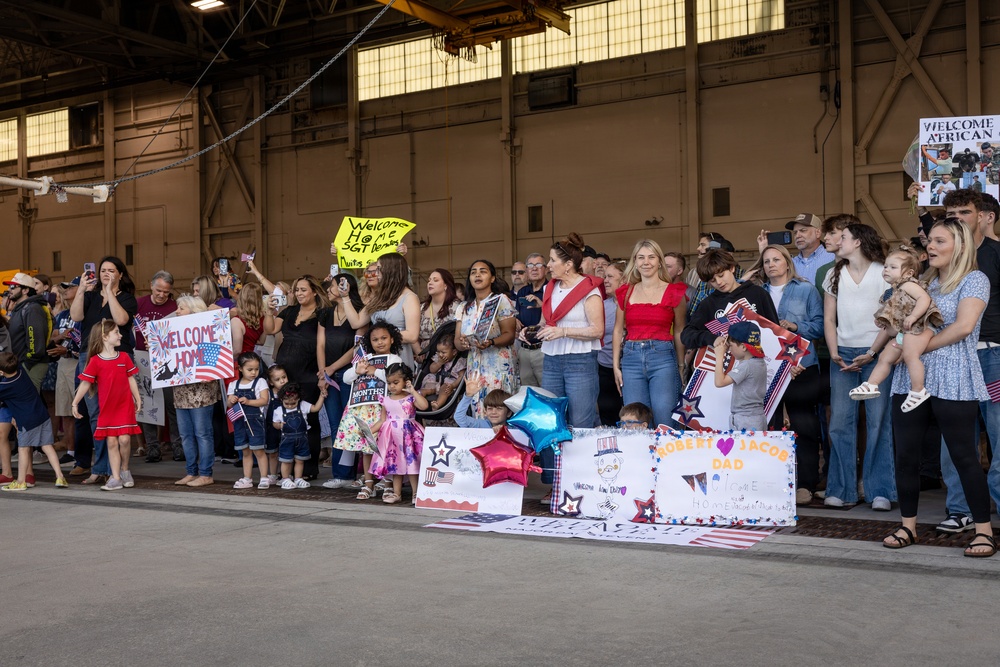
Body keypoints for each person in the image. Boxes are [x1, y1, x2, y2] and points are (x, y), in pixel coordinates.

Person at [883, 218, 996, 557]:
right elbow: (896, 327)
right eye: (929, 240)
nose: (930, 246)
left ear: (959, 246)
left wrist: (916, 348)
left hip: (954, 376)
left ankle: (984, 531)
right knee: (905, 456)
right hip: (909, 379)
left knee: (964, 457)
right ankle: (908, 525)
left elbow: (963, 327)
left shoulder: (975, 280)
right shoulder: (922, 283)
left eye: (939, 241)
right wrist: (892, 341)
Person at [823, 223, 896, 510]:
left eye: (843, 237)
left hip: (876, 354)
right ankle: (841, 490)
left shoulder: (883, 272)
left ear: (858, 242)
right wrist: (834, 352)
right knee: (840, 423)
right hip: (842, 354)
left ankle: (881, 490)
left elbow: (891, 319)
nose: (837, 241)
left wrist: (871, 351)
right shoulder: (834, 274)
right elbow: (830, 319)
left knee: (879, 421)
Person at [750, 244, 825, 504]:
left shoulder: (806, 290)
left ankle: (805, 483)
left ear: (787, 262)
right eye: (766, 261)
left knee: (804, 425)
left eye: (776, 259)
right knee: (769, 426)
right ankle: (774, 481)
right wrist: (748, 277)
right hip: (767, 367)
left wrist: (795, 326)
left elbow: (819, 326)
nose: (771, 264)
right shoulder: (756, 293)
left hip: (800, 366)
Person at [69, 256, 138, 486]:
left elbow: (121, 319)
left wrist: (109, 292)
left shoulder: (127, 299)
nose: (105, 273)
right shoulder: (89, 296)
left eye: (111, 270)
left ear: (120, 274)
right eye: (102, 270)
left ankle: (116, 470)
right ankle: (101, 467)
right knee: (95, 416)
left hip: (118, 359)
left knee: (113, 414)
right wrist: (80, 290)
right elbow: (76, 317)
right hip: (89, 357)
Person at [849, 246, 943, 412]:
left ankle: (918, 389)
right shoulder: (891, 292)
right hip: (905, 332)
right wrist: (885, 323)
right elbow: (892, 324)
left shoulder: (907, 285)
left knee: (910, 355)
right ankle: (872, 384)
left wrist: (913, 316)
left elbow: (924, 298)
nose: (886, 270)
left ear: (908, 273)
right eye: (885, 266)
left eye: (893, 267)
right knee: (885, 356)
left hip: (920, 327)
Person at [613, 240, 687, 429]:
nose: (646, 262)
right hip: (631, 358)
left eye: (651, 257)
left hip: (663, 356)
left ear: (660, 261)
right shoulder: (626, 292)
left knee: (665, 416)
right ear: (635, 262)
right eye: (641, 257)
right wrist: (615, 366)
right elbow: (618, 330)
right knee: (635, 419)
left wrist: (680, 365)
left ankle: (669, 458)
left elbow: (679, 330)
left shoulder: (673, 292)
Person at [268, 275, 330, 480]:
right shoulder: (289, 311)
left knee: (308, 421)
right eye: (296, 290)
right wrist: (269, 311)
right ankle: (286, 468)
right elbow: (270, 329)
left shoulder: (323, 313)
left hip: (309, 374)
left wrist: (322, 374)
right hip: (285, 377)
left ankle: (309, 469)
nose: (299, 293)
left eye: (304, 289)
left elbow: (321, 345)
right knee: (285, 419)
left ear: (314, 291)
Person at [334, 322, 405, 499]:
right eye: (375, 339)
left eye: (383, 338)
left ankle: (388, 483)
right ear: (369, 342)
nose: (380, 342)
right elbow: (346, 378)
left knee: (386, 446)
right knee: (367, 448)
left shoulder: (395, 359)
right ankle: (368, 483)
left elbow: (393, 378)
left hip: (384, 409)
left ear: (392, 339)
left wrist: (375, 371)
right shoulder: (364, 358)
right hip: (364, 408)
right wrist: (357, 371)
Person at [72, 319, 142, 491]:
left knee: (125, 440)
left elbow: (130, 379)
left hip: (124, 405)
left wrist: (137, 398)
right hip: (107, 408)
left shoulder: (124, 357)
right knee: (111, 442)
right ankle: (116, 477)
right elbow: (85, 384)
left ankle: (125, 469)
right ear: (104, 337)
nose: (120, 335)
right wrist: (75, 402)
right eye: (116, 332)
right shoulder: (95, 361)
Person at [318, 273, 366, 489]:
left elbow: (357, 347)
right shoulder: (326, 313)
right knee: (336, 423)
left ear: (346, 286)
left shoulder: (359, 311)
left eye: (333, 284)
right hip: (327, 375)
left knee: (350, 424)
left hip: (350, 374)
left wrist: (332, 368)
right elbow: (320, 345)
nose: (329, 288)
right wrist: (323, 373)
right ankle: (339, 474)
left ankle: (349, 474)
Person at [681, 249, 778, 354]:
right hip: (727, 366)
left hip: (762, 360)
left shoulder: (758, 293)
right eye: (712, 281)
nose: (719, 282)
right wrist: (712, 339)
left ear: (732, 268)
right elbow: (687, 335)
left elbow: (776, 331)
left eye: (721, 275)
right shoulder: (708, 304)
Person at [456, 260, 519, 418]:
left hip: (498, 367)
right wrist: (463, 344)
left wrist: (491, 342)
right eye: (473, 272)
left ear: (492, 278)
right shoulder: (464, 307)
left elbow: (509, 335)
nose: (477, 274)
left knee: (500, 413)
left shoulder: (501, 301)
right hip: (475, 369)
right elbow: (457, 341)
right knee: (480, 414)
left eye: (483, 271)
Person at [171, 295, 222, 488]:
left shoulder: (207, 332)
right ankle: (191, 472)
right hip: (181, 391)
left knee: (202, 433)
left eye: (181, 308)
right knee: (185, 434)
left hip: (202, 391)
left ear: (193, 312)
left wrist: (211, 371)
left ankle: (206, 473)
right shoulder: (173, 332)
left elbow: (216, 356)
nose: (177, 312)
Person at [0, 352, 68, 491]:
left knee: (23, 449)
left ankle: (20, 481)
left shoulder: (5, 386)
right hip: (42, 415)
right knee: (47, 446)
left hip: (27, 421)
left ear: (1, 372)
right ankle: (60, 476)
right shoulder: (20, 371)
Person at [339, 253, 421, 367]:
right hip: (376, 361)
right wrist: (345, 297)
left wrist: (380, 337)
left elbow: (412, 335)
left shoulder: (409, 297)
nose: (375, 273)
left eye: (379, 269)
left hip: (398, 362)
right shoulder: (379, 296)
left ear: (390, 271)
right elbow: (356, 322)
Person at [134, 271, 181, 463]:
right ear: (151, 286)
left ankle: (178, 446)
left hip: (167, 360)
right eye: (159, 290)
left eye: (166, 292)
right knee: (148, 404)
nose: (162, 295)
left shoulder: (176, 307)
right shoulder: (138, 304)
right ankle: (152, 447)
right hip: (142, 358)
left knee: (172, 405)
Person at [370, 363, 428, 504]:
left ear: (406, 381)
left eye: (396, 382)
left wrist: (413, 391)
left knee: (412, 463)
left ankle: (416, 493)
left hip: (409, 435)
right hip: (392, 437)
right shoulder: (386, 400)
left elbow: (424, 406)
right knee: (396, 464)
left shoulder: (411, 397)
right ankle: (397, 493)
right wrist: (369, 430)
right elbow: (382, 420)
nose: (392, 386)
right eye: (389, 383)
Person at [2, 272, 52, 391]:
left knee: (30, 404)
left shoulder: (32, 309)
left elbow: (35, 341)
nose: (10, 290)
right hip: (23, 364)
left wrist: (26, 363)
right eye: (9, 286)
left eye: (13, 287)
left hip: (31, 365)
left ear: (25, 290)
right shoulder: (20, 309)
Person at [49, 278, 83, 458]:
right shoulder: (62, 315)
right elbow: (53, 338)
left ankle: (84, 451)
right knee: (66, 410)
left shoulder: (85, 312)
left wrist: (68, 348)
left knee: (81, 409)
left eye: (70, 287)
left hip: (77, 361)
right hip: (62, 362)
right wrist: (61, 336)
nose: (66, 290)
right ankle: (70, 451)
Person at [227, 352, 271, 490]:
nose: (253, 373)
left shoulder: (261, 382)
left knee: (259, 450)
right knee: (245, 451)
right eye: (250, 369)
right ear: (240, 369)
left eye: (256, 369)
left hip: (255, 421)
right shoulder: (234, 384)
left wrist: (249, 401)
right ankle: (247, 478)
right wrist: (231, 400)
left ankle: (264, 477)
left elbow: (264, 400)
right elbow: (229, 405)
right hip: (240, 422)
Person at [713, 321, 768, 431]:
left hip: (745, 420)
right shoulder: (759, 362)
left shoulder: (746, 366)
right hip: (757, 417)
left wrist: (719, 356)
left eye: (731, 346)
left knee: (744, 448)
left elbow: (719, 382)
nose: (729, 350)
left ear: (743, 347)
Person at [273, 382, 327, 490]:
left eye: (293, 403)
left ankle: (298, 478)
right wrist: (278, 425)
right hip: (287, 440)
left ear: (298, 399)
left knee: (300, 460)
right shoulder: (278, 411)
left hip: (302, 439)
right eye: (286, 403)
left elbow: (315, 408)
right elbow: (274, 423)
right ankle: (285, 479)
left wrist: (321, 396)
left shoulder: (303, 405)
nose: (289, 406)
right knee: (286, 461)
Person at [757, 213, 835, 285]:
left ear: (818, 233)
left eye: (803, 231)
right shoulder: (789, 263)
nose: (797, 236)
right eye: (795, 232)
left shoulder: (833, 257)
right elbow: (771, 283)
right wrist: (764, 251)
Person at [597, 261, 625, 426]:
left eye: (610, 277)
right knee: (607, 412)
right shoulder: (601, 306)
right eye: (604, 276)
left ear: (623, 280)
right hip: (605, 367)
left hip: (630, 366)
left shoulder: (633, 303)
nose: (605, 280)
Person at [514, 253, 547, 387]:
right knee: (527, 392)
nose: (534, 269)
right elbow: (516, 313)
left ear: (546, 269)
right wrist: (514, 319)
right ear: (527, 270)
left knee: (548, 392)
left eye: (539, 265)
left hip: (544, 349)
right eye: (530, 266)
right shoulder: (523, 292)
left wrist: (542, 303)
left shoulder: (551, 289)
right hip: (524, 349)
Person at [418, 269, 461, 354]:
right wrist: (418, 352)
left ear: (446, 285)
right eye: (429, 280)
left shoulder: (457, 307)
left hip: (450, 358)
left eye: (436, 280)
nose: (430, 283)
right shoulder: (421, 307)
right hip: (426, 359)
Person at [418, 334, 466, 411]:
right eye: (438, 352)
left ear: (454, 352)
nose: (440, 354)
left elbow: (461, 376)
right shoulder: (438, 358)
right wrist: (439, 363)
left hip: (449, 382)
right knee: (428, 382)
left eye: (443, 352)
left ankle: (437, 404)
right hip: (436, 380)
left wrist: (453, 385)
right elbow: (432, 370)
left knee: (445, 389)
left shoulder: (459, 361)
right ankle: (419, 395)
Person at [263, 364, 289, 486]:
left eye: (284, 377)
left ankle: (286, 475)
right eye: (277, 379)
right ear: (271, 382)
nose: (282, 381)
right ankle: (273, 475)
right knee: (272, 452)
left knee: (287, 452)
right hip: (271, 428)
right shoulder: (269, 395)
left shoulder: (290, 393)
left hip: (287, 426)